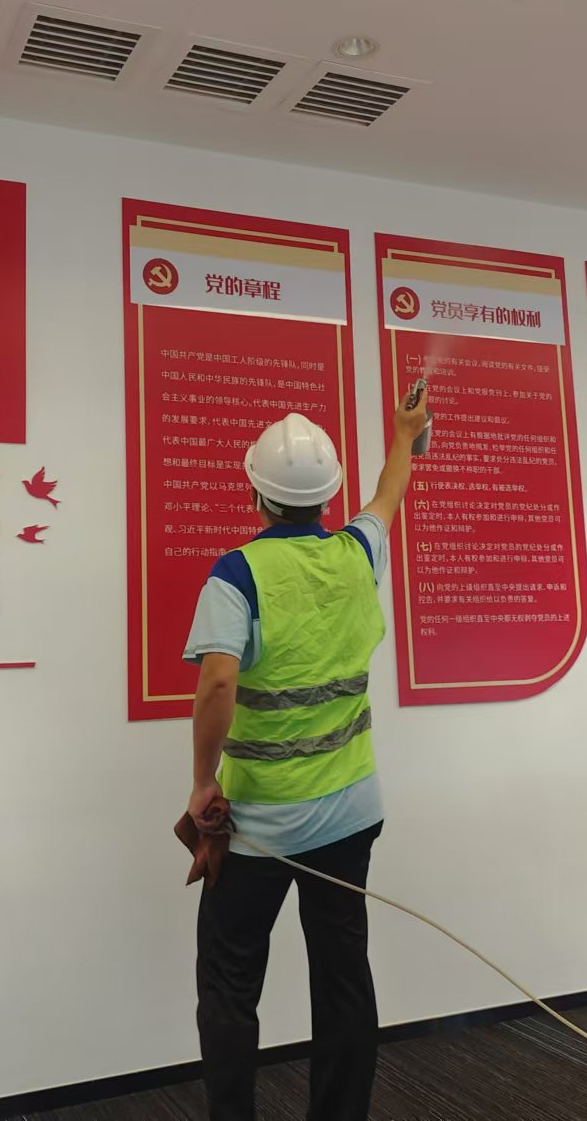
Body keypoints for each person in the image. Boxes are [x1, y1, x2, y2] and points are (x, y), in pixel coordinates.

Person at [183, 388, 428, 1121]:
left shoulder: (237, 574)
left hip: (259, 826)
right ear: (327, 495)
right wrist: (405, 432)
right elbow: (389, 493)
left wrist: (202, 783)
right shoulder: (357, 552)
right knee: (343, 978)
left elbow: (218, 681)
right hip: (350, 813)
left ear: (256, 491)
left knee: (230, 985)